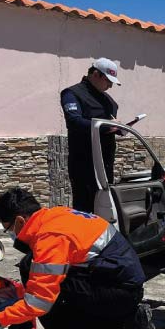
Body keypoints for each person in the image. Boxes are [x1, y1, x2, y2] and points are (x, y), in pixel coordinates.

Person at [0, 187, 155, 329]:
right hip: (120, 283)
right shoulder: (55, 214)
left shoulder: (50, 237)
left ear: (20, 220)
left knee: (42, 279)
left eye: (8, 229)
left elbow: (39, 302)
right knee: (33, 266)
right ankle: (129, 317)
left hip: (118, 292)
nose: (10, 234)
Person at [61, 58, 122, 214]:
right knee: (85, 211)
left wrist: (120, 127)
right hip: (84, 165)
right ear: (96, 74)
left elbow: (110, 124)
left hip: (105, 164)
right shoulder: (72, 93)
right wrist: (104, 127)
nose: (110, 85)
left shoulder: (108, 100)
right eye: (108, 81)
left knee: (104, 210)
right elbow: (74, 121)